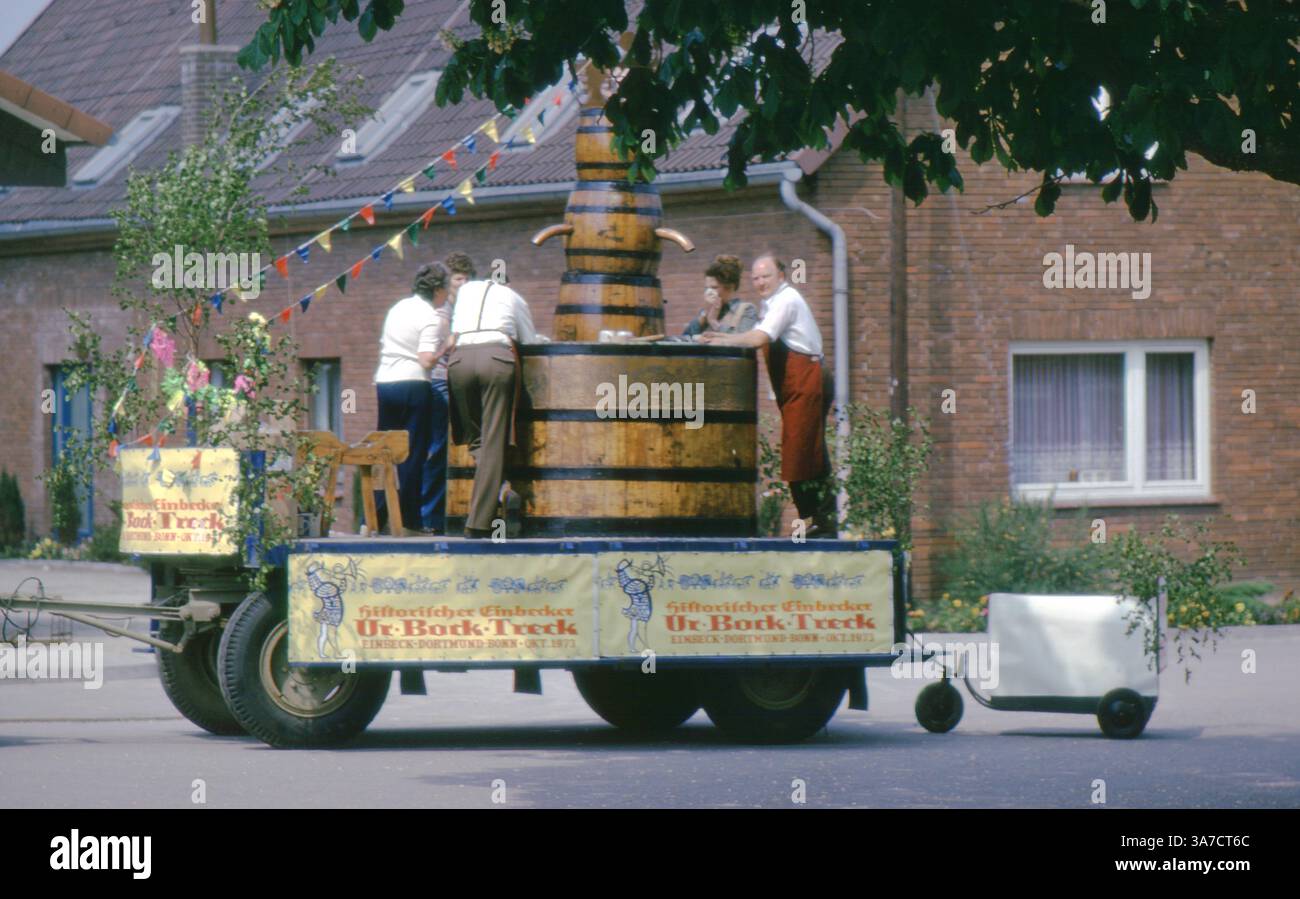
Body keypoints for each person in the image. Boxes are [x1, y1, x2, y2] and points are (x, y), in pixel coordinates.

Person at [699, 254, 837, 537]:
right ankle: (821, 520)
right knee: (808, 450)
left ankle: (819, 522)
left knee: (801, 451)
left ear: (781, 276)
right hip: (797, 384)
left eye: (766, 276)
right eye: (756, 278)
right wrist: (717, 330)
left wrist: (723, 339)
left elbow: (759, 338)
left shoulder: (786, 300)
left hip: (808, 379)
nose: (760, 282)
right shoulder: (772, 303)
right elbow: (751, 335)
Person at [445, 255, 547, 538]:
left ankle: (499, 488)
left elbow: (455, 329)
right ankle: (478, 523)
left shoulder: (465, 291)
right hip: (496, 359)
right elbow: (529, 342)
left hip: (460, 361)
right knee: (493, 440)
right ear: (507, 282)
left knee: (473, 435)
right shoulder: (514, 298)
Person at [372, 264, 452, 535]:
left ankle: (374, 520)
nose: (448, 296)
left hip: (385, 382)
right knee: (412, 455)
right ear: (438, 290)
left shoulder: (398, 307)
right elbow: (426, 360)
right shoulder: (429, 316)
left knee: (383, 452)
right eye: (447, 290)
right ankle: (410, 523)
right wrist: (447, 346)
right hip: (413, 384)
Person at [416, 262, 454, 534]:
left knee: (433, 448)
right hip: (438, 381)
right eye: (456, 281)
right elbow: (430, 357)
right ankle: (429, 517)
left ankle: (427, 516)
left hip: (436, 382)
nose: (458, 286)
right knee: (437, 449)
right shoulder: (440, 313)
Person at [682, 254, 759, 337]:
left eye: (714, 287)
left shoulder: (747, 310)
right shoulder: (708, 310)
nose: (709, 292)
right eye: (707, 288)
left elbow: (742, 342)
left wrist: (713, 322)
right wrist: (704, 315)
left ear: (730, 287)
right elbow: (686, 337)